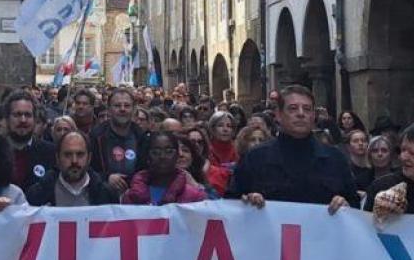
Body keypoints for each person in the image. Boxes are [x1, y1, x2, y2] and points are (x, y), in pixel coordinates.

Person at [232, 85, 354, 213]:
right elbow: (231, 203)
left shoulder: (336, 159)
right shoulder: (255, 158)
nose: (301, 114)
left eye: (307, 109)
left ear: (313, 116)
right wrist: (246, 200)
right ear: (278, 115)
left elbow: (354, 204)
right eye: (293, 108)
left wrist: (345, 205)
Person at [27, 131, 119, 206]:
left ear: (89, 158)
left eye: (80, 154)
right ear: (58, 158)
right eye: (67, 155)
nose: (74, 161)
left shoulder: (107, 195)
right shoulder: (38, 194)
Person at [123, 132, 209, 205]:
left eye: (169, 151)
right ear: (147, 156)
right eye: (155, 152)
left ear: (177, 155)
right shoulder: (131, 196)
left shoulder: (195, 196)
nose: (162, 156)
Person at [90, 87, 146, 193]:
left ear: (134, 109)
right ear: (109, 109)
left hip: (136, 197)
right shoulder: (96, 136)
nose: (122, 109)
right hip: (104, 197)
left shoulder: (142, 137)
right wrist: (106, 178)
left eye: (127, 105)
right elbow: (88, 169)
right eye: (117, 105)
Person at [3, 90, 57, 191]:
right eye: (17, 115)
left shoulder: (51, 153)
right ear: (7, 119)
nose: (23, 120)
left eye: (28, 115)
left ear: (35, 119)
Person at [345, 129, 375, 200]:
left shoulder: (374, 168)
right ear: (348, 146)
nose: (360, 143)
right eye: (355, 141)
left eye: (363, 140)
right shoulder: (346, 170)